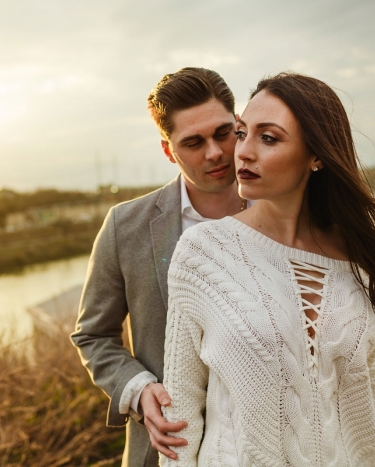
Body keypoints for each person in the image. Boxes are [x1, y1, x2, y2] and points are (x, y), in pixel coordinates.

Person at [160, 72, 375, 466]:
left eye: (269, 137)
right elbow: (180, 416)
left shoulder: (354, 262)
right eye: (243, 133)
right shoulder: (202, 253)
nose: (242, 152)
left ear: (316, 156)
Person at [71, 67, 252, 466]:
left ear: (239, 125)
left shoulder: (287, 212)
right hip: (169, 451)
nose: (215, 153)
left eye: (223, 133)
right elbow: (93, 335)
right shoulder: (124, 227)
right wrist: (139, 390)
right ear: (169, 151)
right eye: (193, 142)